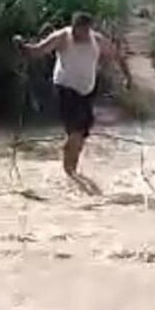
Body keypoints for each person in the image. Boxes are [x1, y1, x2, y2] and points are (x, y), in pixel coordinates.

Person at [14, 11, 132, 183]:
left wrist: (128, 77)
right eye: (78, 31)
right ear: (73, 27)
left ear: (89, 29)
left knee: (82, 133)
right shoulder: (62, 37)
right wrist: (22, 46)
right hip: (65, 88)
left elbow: (117, 56)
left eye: (84, 31)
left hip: (87, 92)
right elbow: (37, 51)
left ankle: (72, 168)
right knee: (75, 131)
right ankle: (69, 172)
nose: (81, 35)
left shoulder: (97, 40)